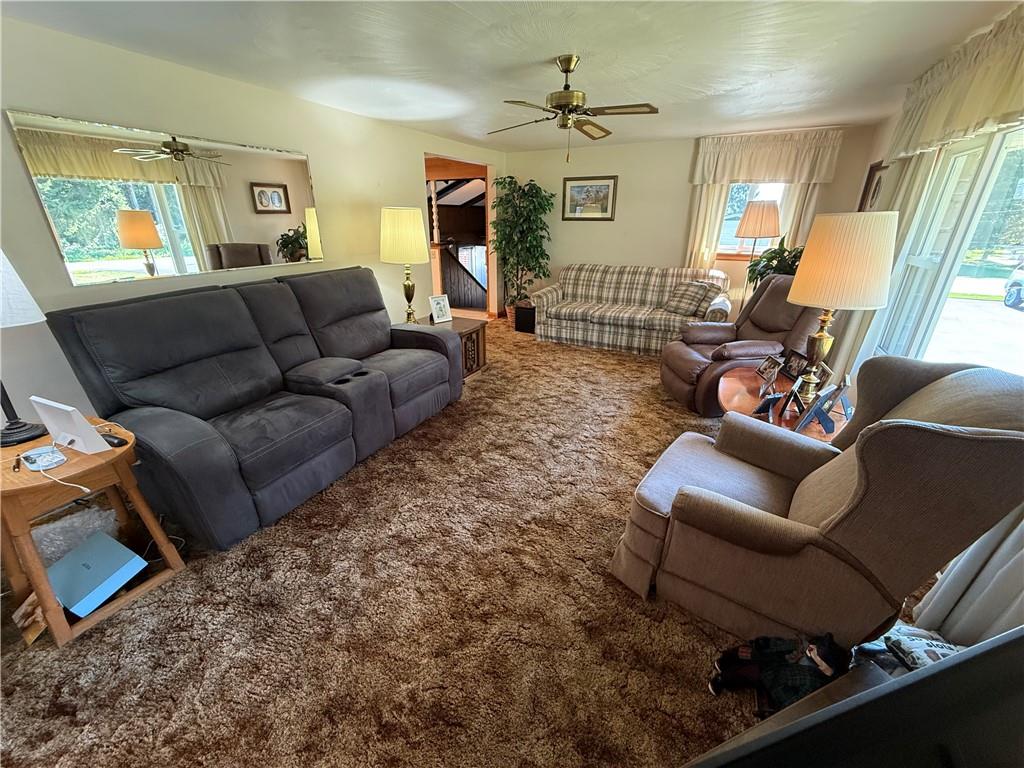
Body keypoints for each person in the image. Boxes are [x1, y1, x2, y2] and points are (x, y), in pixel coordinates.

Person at [708, 633, 852, 710]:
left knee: (751, 672)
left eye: (817, 652)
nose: (812, 649)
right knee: (749, 652)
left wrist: (775, 696)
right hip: (774, 660)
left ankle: (724, 680)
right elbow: (781, 645)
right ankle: (727, 659)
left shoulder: (812, 681)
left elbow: (793, 703)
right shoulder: (801, 646)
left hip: (773, 680)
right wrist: (766, 645)